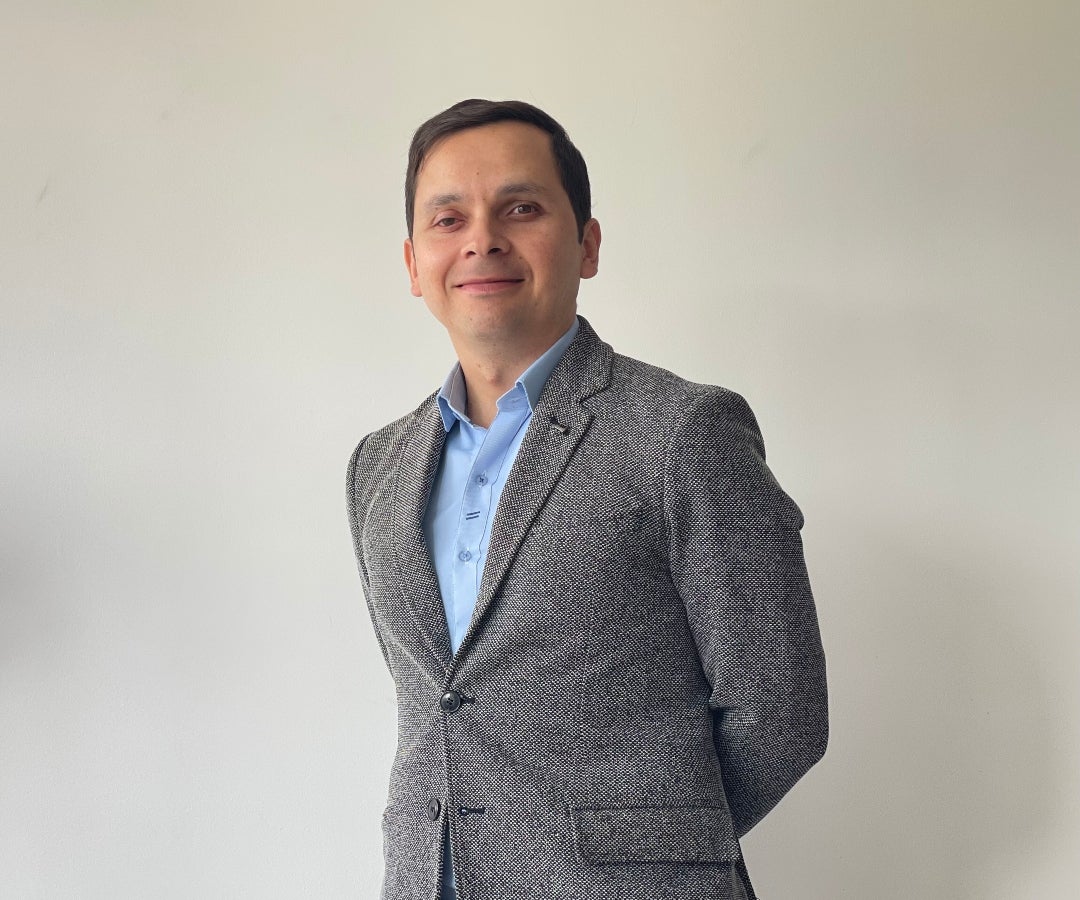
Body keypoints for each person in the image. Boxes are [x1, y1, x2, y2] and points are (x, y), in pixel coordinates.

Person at [346, 98, 828, 900]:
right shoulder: (377, 466)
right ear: (413, 263)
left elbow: (780, 710)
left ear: (587, 243)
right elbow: (437, 703)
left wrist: (647, 850)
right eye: (448, 219)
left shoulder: (682, 432)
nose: (481, 240)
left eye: (521, 208)